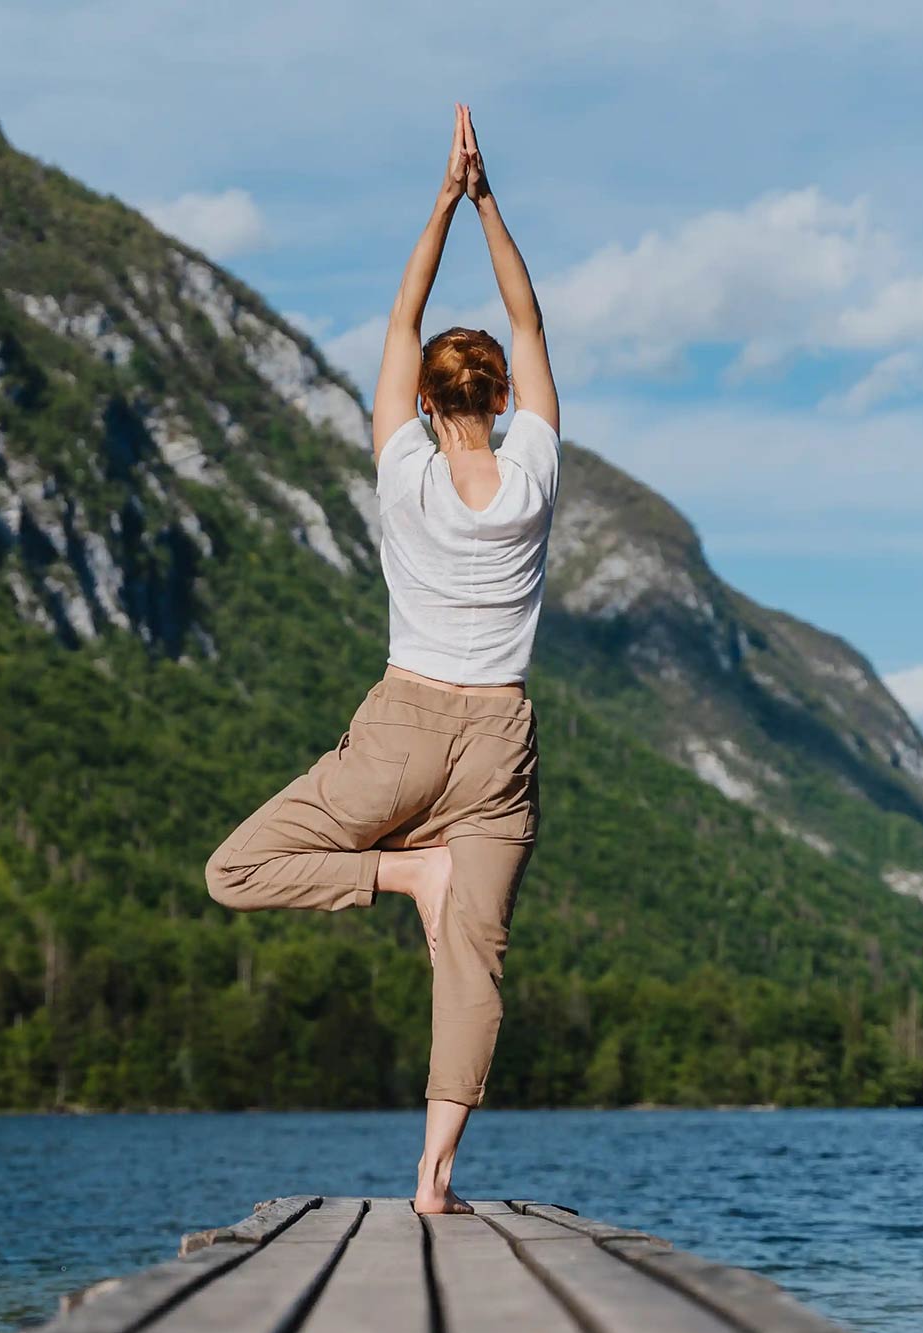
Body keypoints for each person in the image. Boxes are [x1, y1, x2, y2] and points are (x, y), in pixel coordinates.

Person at [205, 104, 560, 1216]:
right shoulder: (536, 472)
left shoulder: (398, 464)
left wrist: (441, 203)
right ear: (501, 401)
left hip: (403, 726)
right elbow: (528, 317)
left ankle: (403, 873)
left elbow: (405, 312)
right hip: (497, 741)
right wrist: (492, 200)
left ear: (420, 401)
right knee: (474, 963)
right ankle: (434, 1176)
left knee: (235, 870)